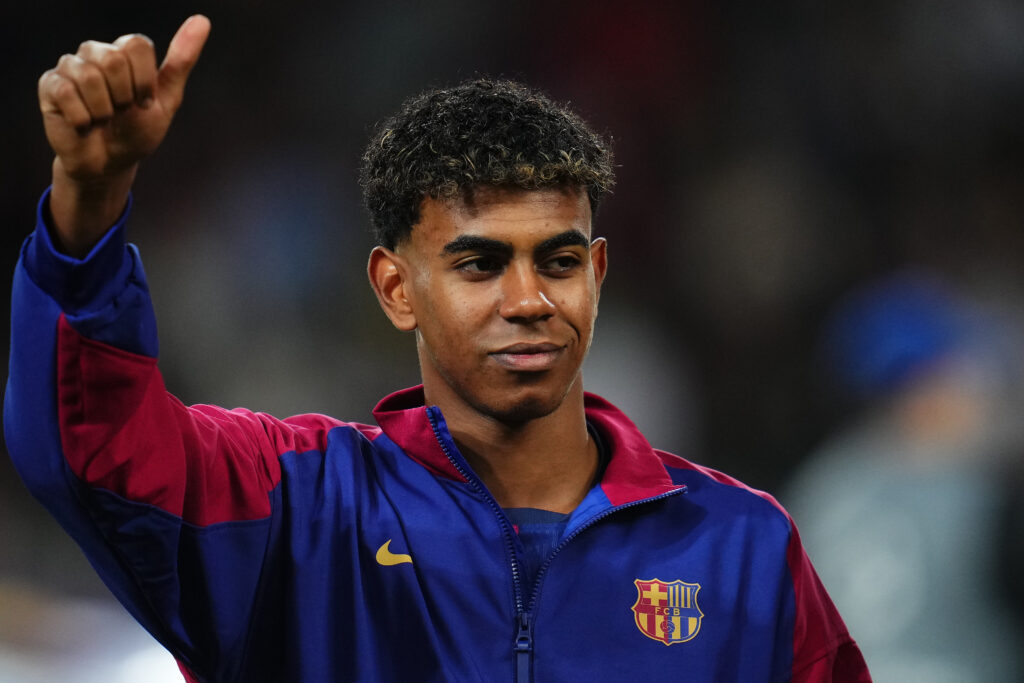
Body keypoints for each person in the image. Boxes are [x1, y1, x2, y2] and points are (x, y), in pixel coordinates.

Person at [5, 15, 869, 683]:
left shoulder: (741, 546)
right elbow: (91, 447)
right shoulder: (297, 509)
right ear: (394, 288)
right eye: (480, 263)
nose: (529, 300)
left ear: (598, 273)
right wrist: (89, 200)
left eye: (559, 260)